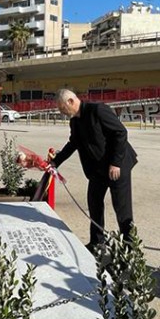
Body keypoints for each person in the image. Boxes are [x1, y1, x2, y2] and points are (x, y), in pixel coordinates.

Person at [50, 89, 138, 253]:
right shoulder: (75, 121)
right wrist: (56, 162)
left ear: (70, 101)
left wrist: (115, 163)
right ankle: (97, 243)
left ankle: (130, 249)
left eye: (62, 108)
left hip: (117, 166)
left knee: (122, 208)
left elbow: (120, 133)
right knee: (94, 203)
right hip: (98, 170)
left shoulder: (98, 110)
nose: (61, 112)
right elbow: (73, 144)